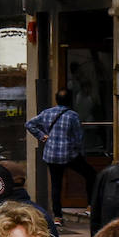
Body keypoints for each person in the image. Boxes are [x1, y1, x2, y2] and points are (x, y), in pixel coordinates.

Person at [26, 89, 97, 225]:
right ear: (71, 100)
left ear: (56, 99)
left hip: (51, 155)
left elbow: (29, 124)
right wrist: (81, 153)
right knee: (91, 175)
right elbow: (78, 138)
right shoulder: (72, 116)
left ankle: (58, 216)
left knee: (56, 184)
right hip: (68, 154)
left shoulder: (47, 113)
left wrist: (42, 136)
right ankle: (90, 206)